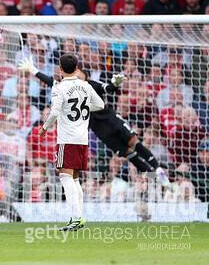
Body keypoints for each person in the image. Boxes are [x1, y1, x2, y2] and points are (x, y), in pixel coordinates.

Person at [18, 57, 171, 186]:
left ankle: (158, 169)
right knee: (128, 154)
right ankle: (154, 177)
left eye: (78, 75)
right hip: (99, 129)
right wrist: (33, 70)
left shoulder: (92, 85)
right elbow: (50, 81)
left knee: (133, 142)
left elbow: (109, 88)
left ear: (85, 76)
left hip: (111, 119)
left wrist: (116, 83)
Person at [38, 53, 105, 232]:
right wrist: (85, 106)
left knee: (65, 177)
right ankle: (78, 217)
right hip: (82, 139)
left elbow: (54, 112)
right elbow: (100, 105)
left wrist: (44, 128)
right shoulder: (85, 85)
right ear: (76, 68)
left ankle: (76, 218)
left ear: (60, 69)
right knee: (74, 179)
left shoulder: (59, 88)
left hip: (67, 139)